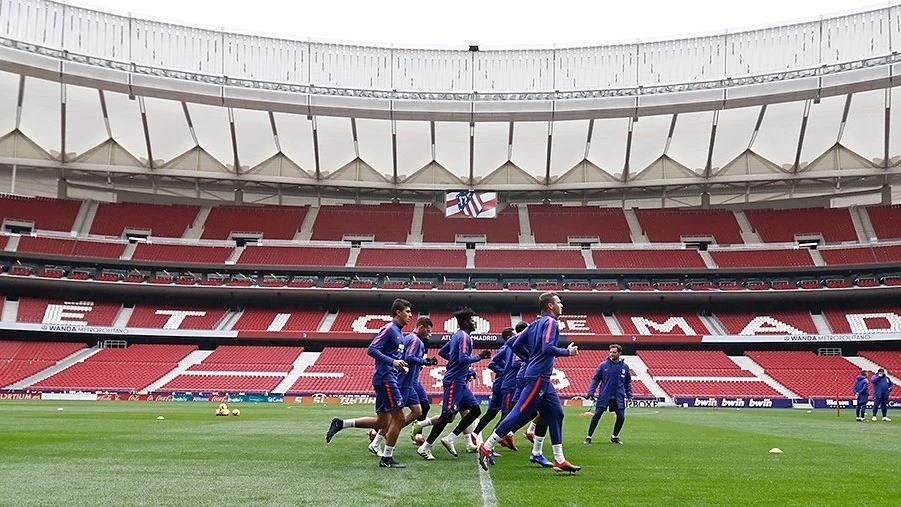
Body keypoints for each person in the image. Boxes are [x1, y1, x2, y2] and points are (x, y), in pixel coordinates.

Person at [479, 292, 581, 473]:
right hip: (538, 376)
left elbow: (514, 344)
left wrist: (529, 359)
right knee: (521, 413)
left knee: (556, 414)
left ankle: (558, 459)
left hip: (541, 377)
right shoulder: (551, 322)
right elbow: (547, 348)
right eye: (559, 302)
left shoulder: (534, 324)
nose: (562, 305)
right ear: (550, 305)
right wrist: (568, 352)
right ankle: (487, 447)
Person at [326, 298, 411, 468]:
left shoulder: (400, 333)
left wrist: (399, 366)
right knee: (399, 418)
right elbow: (371, 349)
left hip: (388, 377)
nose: (410, 315)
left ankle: (341, 423)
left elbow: (391, 357)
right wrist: (393, 363)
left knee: (382, 422)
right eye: (407, 311)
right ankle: (387, 458)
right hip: (386, 379)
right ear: (398, 313)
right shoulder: (389, 329)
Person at [416, 308, 491, 460]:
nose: (474, 322)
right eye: (471, 320)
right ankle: (425, 447)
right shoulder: (464, 337)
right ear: (465, 322)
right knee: (447, 415)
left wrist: (458, 363)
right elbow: (463, 358)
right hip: (454, 381)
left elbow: (443, 352)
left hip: (461, 381)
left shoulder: (458, 335)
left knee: (475, 410)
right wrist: (480, 356)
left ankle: (450, 438)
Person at [369, 317, 436, 455]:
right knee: (397, 417)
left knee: (418, 411)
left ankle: (386, 434)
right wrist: (425, 361)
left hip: (410, 382)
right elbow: (409, 358)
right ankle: (378, 441)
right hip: (404, 382)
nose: (430, 334)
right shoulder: (414, 340)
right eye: (428, 331)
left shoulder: (411, 339)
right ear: (421, 327)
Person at [471, 325, 524, 451]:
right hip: (504, 385)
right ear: (509, 337)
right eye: (514, 334)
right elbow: (492, 363)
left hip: (503, 384)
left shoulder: (510, 347)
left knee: (493, 412)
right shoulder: (508, 347)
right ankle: (493, 441)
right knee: (507, 413)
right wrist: (505, 371)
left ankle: (477, 434)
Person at [584, 344, 632, 444]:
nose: (611, 354)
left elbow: (627, 383)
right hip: (604, 395)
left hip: (618, 396)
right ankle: (589, 437)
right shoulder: (603, 365)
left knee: (621, 417)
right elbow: (596, 379)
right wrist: (591, 391)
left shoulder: (625, 367)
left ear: (619, 353)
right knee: (596, 415)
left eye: (614, 352)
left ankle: (614, 436)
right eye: (610, 352)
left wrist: (629, 395)